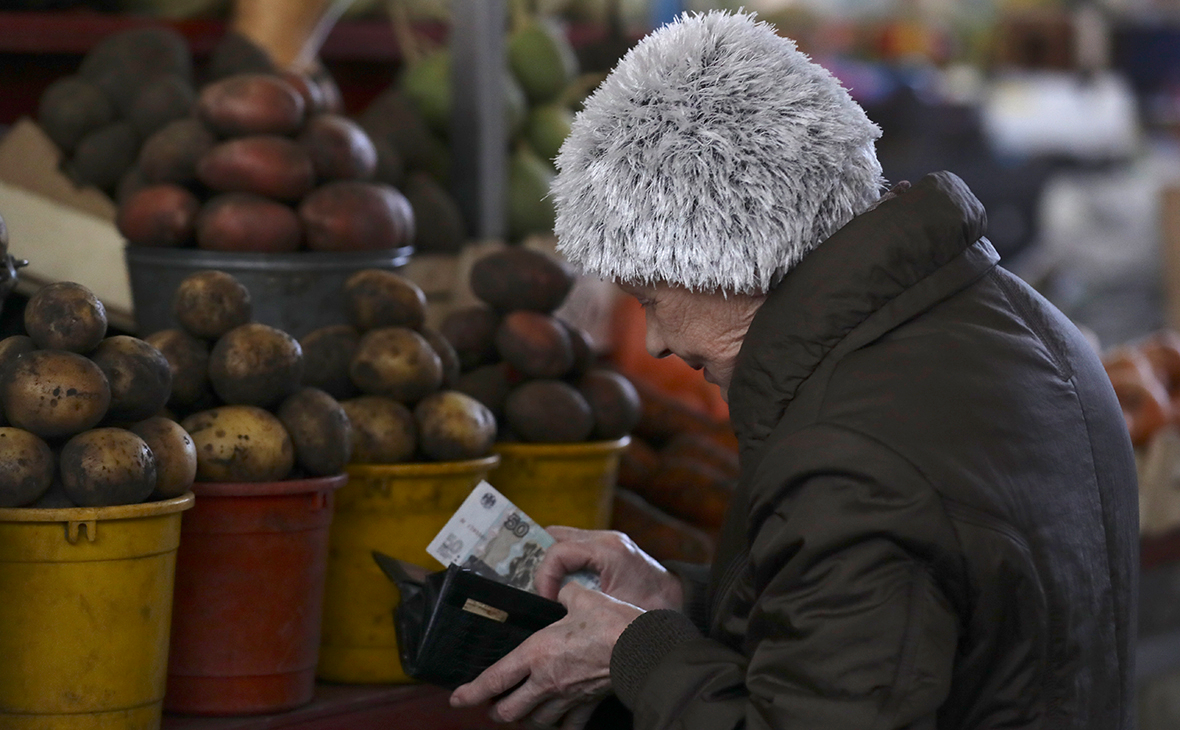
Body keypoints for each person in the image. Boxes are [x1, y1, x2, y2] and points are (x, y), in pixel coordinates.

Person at [449, 11, 1139, 730]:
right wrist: (682, 604)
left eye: (652, 299)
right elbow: (890, 629)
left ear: (720, 257)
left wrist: (635, 652)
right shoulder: (1015, 318)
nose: (651, 341)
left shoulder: (852, 458)